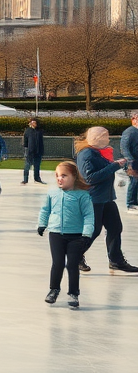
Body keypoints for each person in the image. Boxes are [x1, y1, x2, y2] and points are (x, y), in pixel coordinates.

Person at [75, 127, 138, 274]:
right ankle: (75, 256)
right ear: (98, 138)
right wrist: (114, 166)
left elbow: (104, 170)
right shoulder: (87, 154)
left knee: (115, 227)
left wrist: (116, 166)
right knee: (94, 230)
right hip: (93, 198)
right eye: (106, 137)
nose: (109, 139)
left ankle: (116, 261)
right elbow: (89, 178)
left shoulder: (97, 152)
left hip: (106, 198)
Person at [38, 161, 94, 309]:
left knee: (72, 265)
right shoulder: (52, 193)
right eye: (57, 175)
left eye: (64, 175)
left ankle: (73, 293)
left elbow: (89, 215)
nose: (59, 178)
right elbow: (45, 210)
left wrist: (86, 234)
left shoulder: (82, 195)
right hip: (56, 234)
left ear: (74, 177)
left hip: (76, 236)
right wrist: (42, 224)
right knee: (57, 264)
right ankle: (54, 290)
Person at [23, 118, 46, 187]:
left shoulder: (40, 131)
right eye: (32, 122)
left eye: (35, 122)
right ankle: (25, 179)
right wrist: (27, 149)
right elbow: (25, 141)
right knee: (27, 166)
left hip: (38, 151)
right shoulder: (28, 131)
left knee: (37, 166)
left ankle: (37, 179)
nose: (34, 124)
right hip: (30, 152)